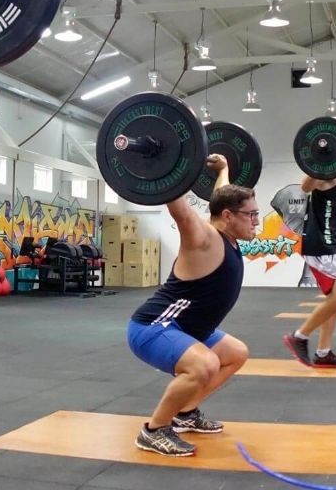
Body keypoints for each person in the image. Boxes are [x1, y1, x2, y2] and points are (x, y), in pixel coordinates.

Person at [127, 154, 255, 457]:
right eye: (251, 214)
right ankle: (154, 430)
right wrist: (167, 168)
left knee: (236, 353)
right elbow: (183, 214)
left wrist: (223, 170)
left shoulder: (224, 226)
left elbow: (221, 198)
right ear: (229, 216)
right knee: (205, 364)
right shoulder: (203, 239)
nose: (256, 220)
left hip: (187, 328)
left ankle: (186, 413)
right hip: (154, 327)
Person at [283, 125, 336, 368]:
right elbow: (306, 186)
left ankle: (323, 352)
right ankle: (299, 337)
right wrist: (319, 162)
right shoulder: (329, 174)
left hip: (331, 243)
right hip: (322, 245)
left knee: (335, 300)